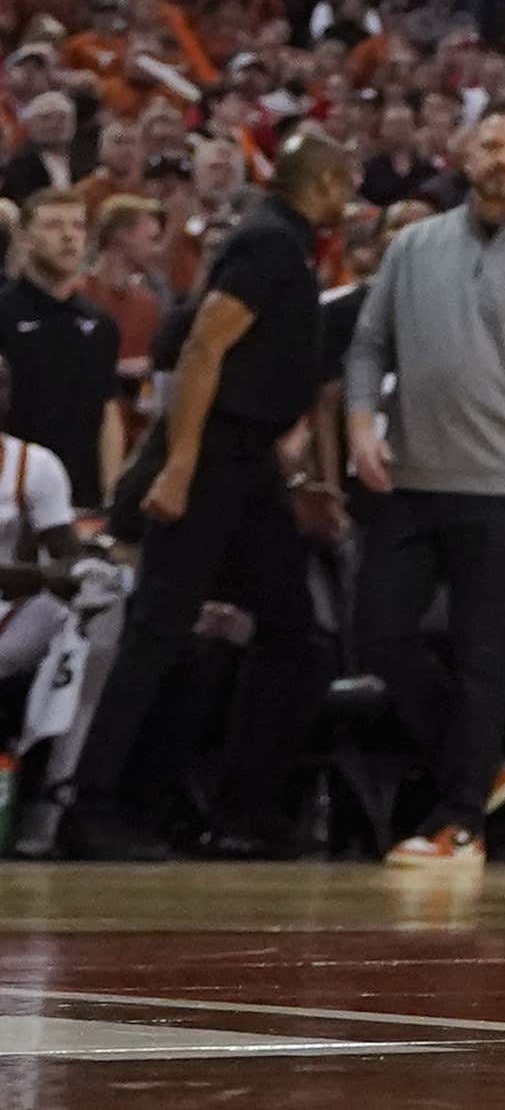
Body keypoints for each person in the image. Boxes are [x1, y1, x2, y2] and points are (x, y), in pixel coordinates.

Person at [62, 132, 351, 859]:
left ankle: (239, 810)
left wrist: (299, 478)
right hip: (213, 458)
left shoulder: (279, 240)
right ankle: (92, 808)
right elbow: (200, 351)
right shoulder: (270, 244)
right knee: (158, 629)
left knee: (294, 636)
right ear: (324, 185)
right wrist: (181, 464)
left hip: (247, 465)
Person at [340, 105, 505, 867]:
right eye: (490, 143)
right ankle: (481, 767)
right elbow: (366, 344)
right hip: (413, 476)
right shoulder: (413, 245)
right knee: (380, 633)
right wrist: (360, 425)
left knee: (483, 655)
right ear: (465, 151)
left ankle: (462, 824)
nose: (502, 158)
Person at [0, 187, 124, 508]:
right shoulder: (3, 313)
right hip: (11, 495)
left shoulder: (100, 324)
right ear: (25, 238)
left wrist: (111, 492)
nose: (69, 236)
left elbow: (107, 412)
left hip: (82, 496)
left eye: (78, 226)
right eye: (54, 225)